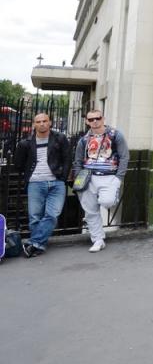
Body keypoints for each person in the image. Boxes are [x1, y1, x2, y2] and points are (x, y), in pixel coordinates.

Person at [72, 109, 130, 253]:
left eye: (97, 118)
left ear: (103, 119)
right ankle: (98, 240)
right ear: (87, 122)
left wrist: (119, 178)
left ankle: (111, 196)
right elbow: (78, 160)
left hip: (109, 176)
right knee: (91, 211)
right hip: (88, 177)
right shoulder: (84, 140)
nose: (95, 121)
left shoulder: (115, 135)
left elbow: (124, 157)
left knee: (107, 201)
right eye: (91, 119)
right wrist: (79, 178)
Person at [14, 113, 71, 257]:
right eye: (38, 121)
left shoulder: (60, 138)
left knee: (52, 214)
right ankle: (37, 246)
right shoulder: (25, 143)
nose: (42, 124)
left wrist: (62, 178)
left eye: (45, 121)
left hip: (56, 182)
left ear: (50, 122)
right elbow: (18, 164)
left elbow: (67, 159)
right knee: (35, 217)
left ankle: (34, 243)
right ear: (34, 124)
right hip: (35, 183)